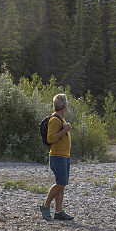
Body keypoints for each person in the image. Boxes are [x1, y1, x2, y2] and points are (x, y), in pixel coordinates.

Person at [40, 93, 74, 221]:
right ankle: (45, 206)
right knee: (60, 183)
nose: (67, 106)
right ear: (64, 105)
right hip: (57, 156)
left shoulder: (61, 118)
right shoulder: (54, 120)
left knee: (62, 184)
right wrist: (64, 131)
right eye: (67, 104)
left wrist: (65, 129)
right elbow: (50, 139)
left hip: (64, 156)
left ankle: (58, 212)